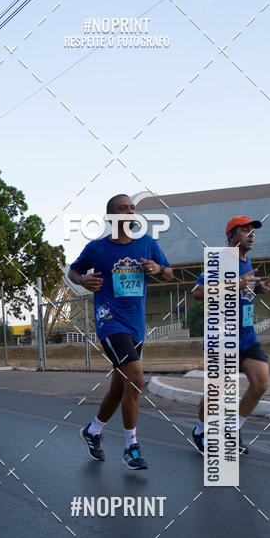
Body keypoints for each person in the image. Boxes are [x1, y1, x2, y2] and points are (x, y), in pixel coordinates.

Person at [68, 194, 173, 469]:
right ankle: (131, 447)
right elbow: (73, 271)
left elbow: (169, 273)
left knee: (119, 387)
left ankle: (92, 432)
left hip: (135, 324)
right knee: (136, 377)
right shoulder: (97, 248)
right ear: (111, 217)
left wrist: (157, 267)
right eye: (123, 209)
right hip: (109, 320)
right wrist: (83, 280)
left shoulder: (148, 243)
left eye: (132, 208)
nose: (130, 212)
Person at [191, 216, 270, 455]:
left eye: (253, 230)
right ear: (231, 236)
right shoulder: (220, 260)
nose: (251, 234)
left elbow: (241, 293)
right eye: (245, 230)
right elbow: (197, 293)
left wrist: (257, 289)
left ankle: (232, 429)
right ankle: (200, 430)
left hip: (247, 336)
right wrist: (233, 285)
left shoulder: (246, 262)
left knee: (260, 383)